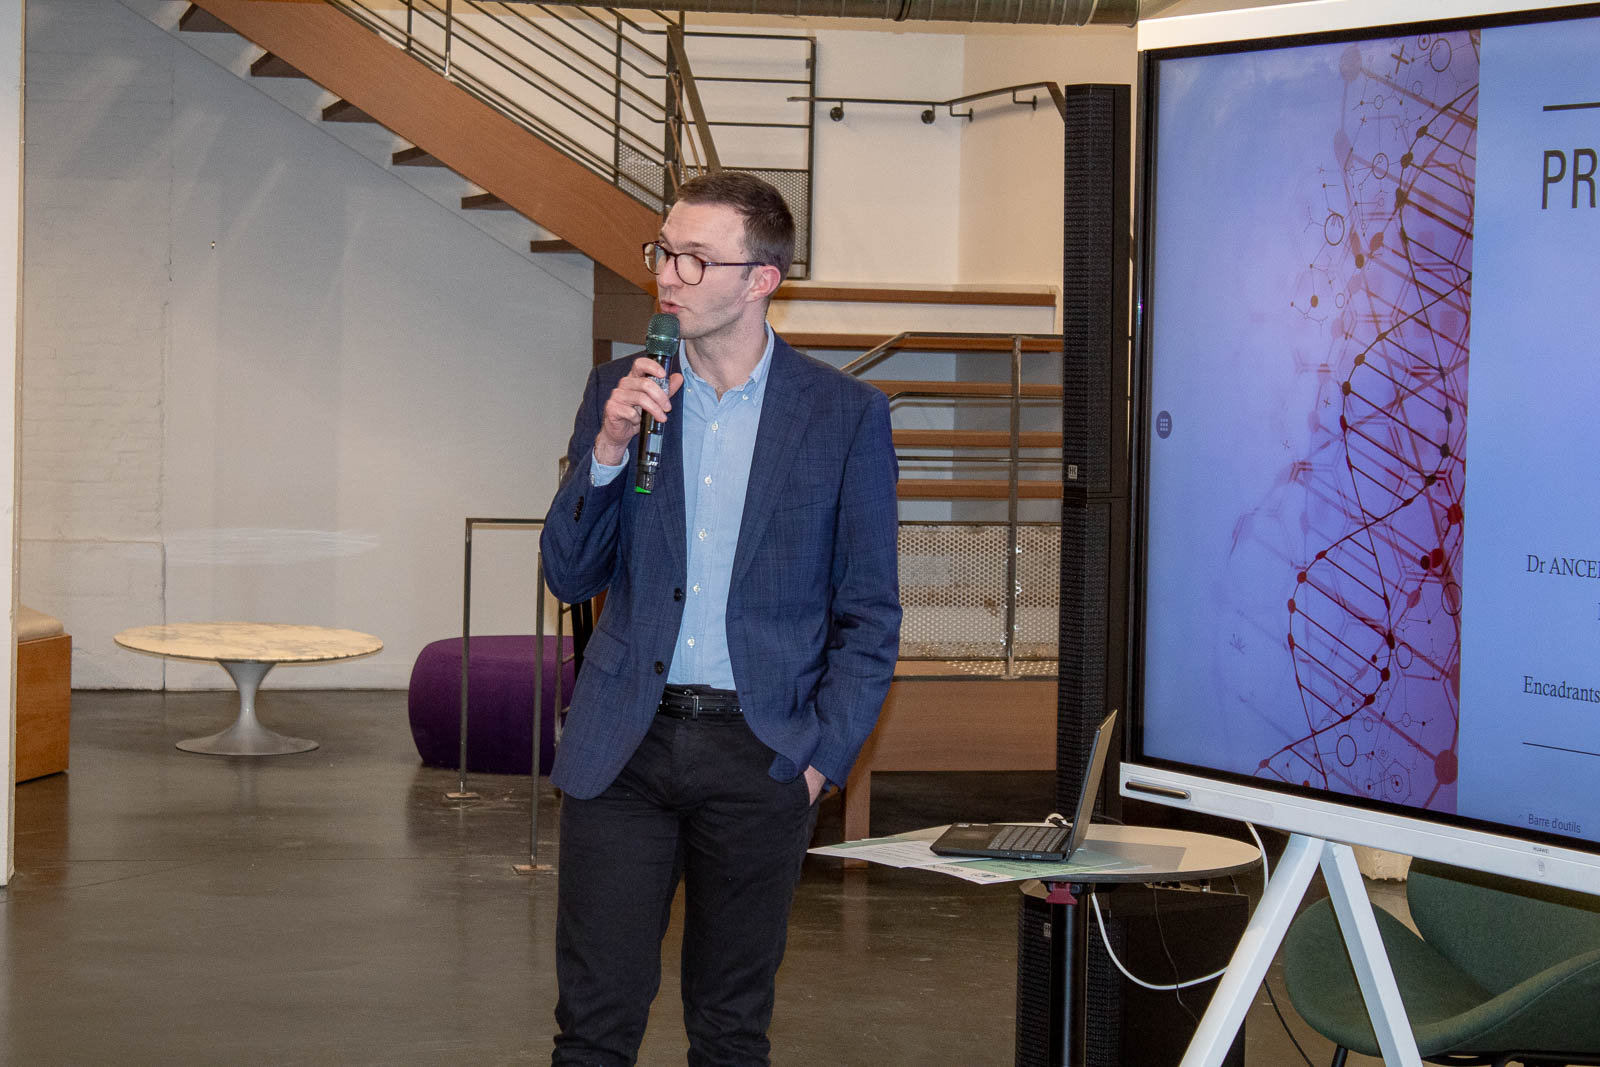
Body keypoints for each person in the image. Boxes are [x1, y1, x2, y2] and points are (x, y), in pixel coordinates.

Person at [539, 171, 902, 1066]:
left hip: (763, 754)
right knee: (592, 1028)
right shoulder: (619, 390)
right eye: (664, 252)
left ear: (760, 280)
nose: (668, 274)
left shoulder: (844, 416)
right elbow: (568, 571)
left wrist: (819, 761)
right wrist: (608, 449)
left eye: (696, 259)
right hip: (623, 746)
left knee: (731, 1031)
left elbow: (870, 614)